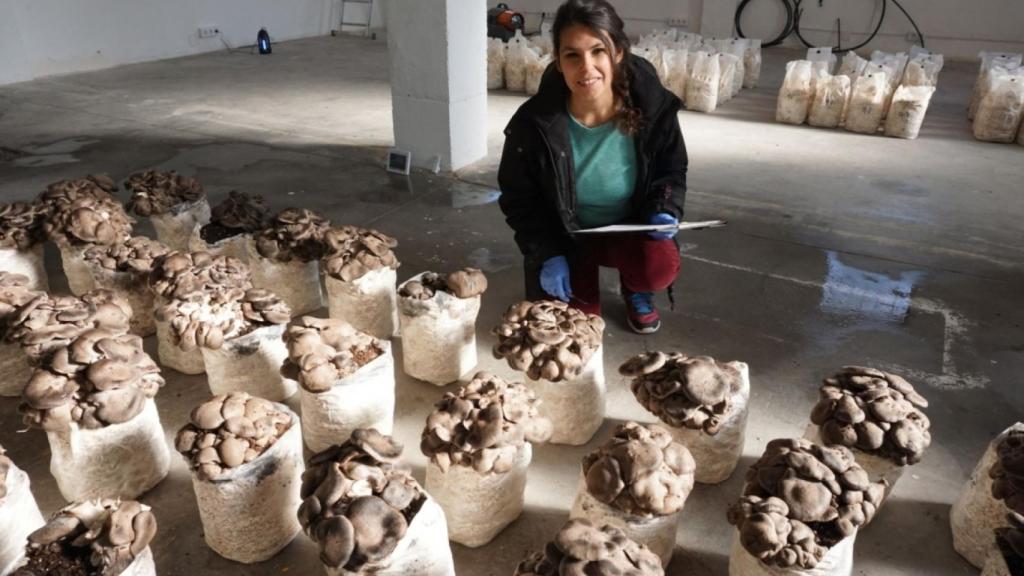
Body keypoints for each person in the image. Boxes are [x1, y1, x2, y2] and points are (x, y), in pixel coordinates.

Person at [497, 0, 687, 334]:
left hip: (629, 228)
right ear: (558, 62)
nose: (586, 68)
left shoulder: (652, 109)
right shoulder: (534, 124)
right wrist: (546, 252)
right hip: (567, 234)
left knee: (657, 265)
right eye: (572, 55)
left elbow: (671, 169)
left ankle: (636, 287)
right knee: (574, 327)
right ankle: (570, 268)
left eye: (598, 51)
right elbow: (519, 198)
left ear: (617, 53)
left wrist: (664, 208)